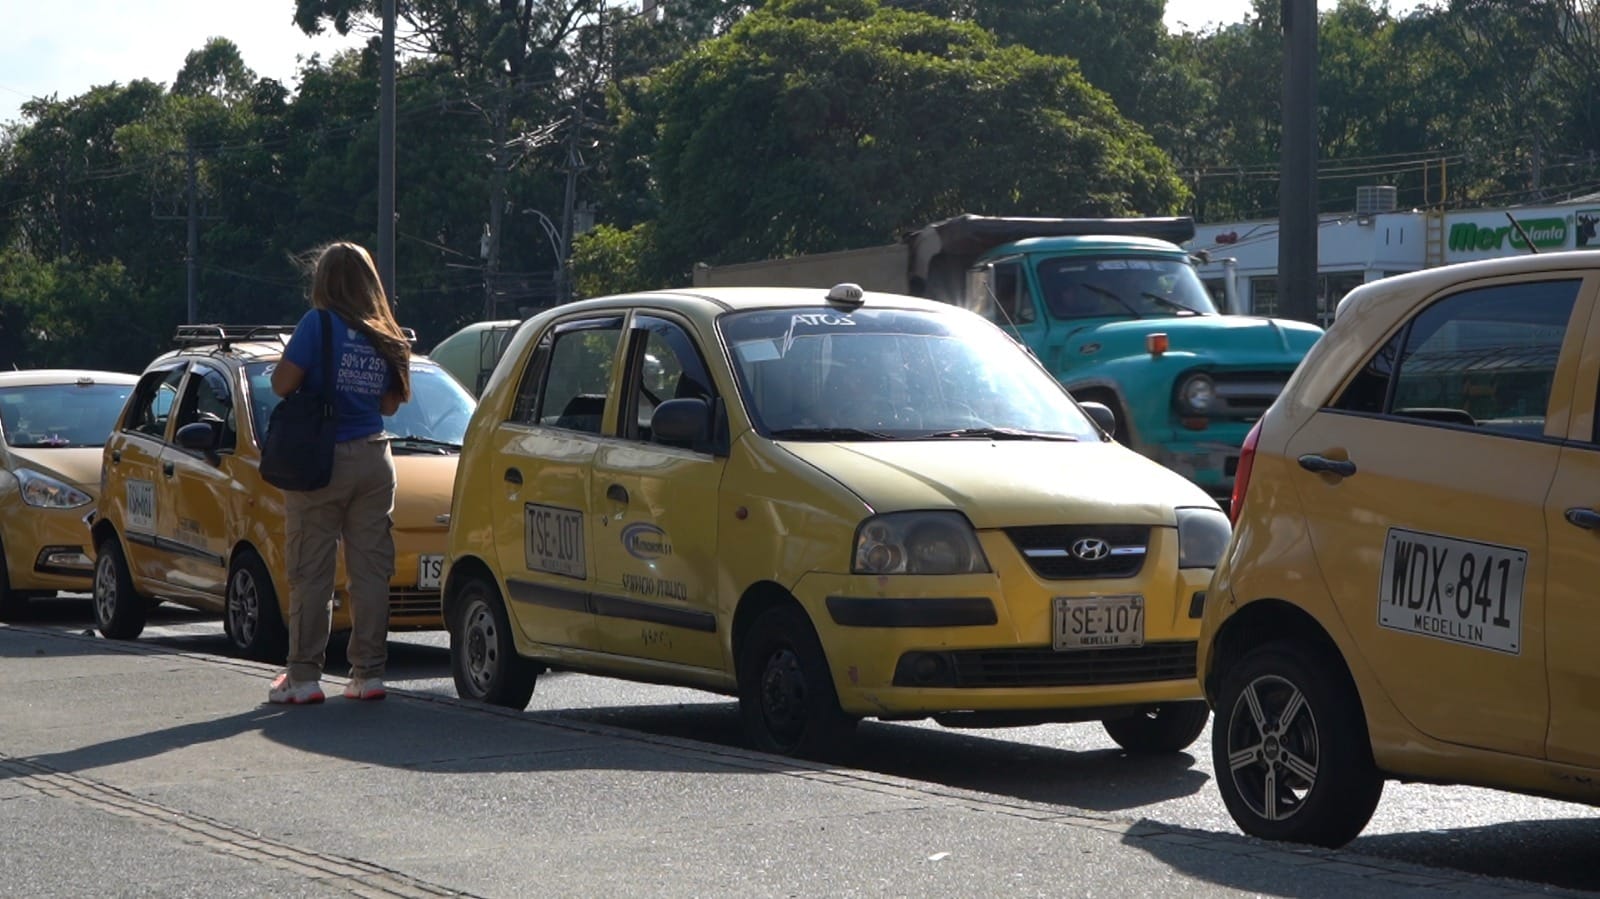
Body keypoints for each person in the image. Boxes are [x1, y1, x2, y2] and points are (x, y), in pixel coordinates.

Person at [267, 241, 412, 705]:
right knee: (370, 571)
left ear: (324, 280)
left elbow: (281, 384)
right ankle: (368, 673)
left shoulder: (318, 324)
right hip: (375, 456)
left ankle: (304, 677)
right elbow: (390, 403)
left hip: (323, 459)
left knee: (312, 569)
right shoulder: (384, 332)